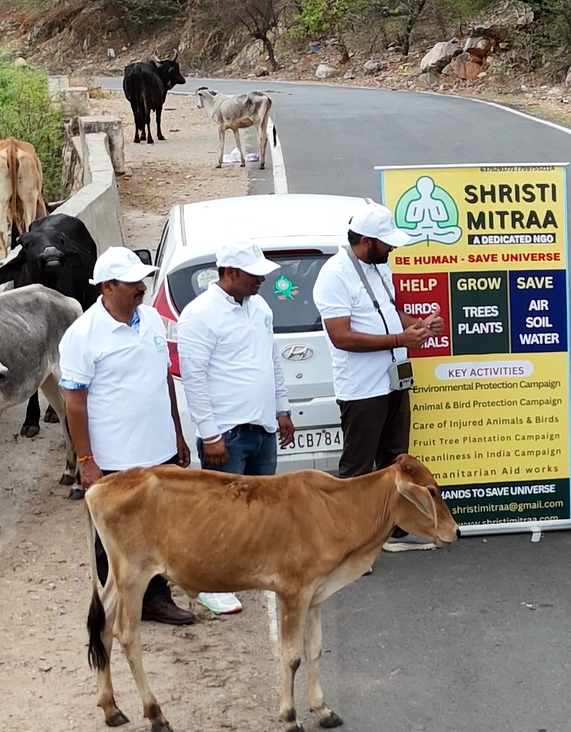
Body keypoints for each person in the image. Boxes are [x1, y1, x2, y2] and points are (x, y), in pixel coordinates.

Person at [59, 247, 195, 626]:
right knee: (114, 536)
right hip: (116, 457)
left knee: (161, 530)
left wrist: (177, 435)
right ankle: (115, 604)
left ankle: (155, 599)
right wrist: (86, 461)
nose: (141, 287)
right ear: (107, 286)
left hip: (161, 449)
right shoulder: (83, 335)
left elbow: (164, 378)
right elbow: (75, 405)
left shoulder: (150, 319)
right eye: (133, 282)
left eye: (143, 280)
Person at [313, 204, 444, 552]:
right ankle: (348, 544)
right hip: (362, 389)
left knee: (396, 460)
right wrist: (402, 340)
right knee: (358, 470)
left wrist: (418, 327)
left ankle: (393, 531)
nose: (393, 248)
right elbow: (341, 336)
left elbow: (390, 311)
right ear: (367, 241)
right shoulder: (335, 274)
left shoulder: (378, 266)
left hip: (393, 382)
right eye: (387, 243)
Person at [176, 240, 297, 614]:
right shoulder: (199, 315)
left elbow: (271, 359)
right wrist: (210, 434)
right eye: (254, 273)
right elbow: (193, 379)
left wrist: (282, 409)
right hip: (226, 433)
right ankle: (209, 583)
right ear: (230, 273)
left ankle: (250, 572)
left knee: (261, 510)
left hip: (262, 427)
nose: (261, 279)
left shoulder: (259, 305)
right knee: (220, 515)